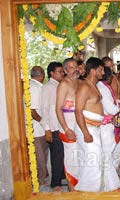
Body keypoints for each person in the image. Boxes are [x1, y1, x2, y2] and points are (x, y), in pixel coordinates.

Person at [74, 57, 106, 192]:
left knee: (94, 163)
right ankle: (89, 193)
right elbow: (78, 111)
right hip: (87, 129)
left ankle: (90, 191)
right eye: (101, 69)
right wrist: (86, 133)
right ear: (93, 70)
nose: (103, 72)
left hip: (94, 128)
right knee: (94, 164)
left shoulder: (94, 85)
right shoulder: (85, 86)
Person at [55, 58, 81, 191]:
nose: (74, 69)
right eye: (70, 67)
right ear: (65, 70)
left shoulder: (79, 82)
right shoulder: (64, 84)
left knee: (81, 159)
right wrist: (66, 129)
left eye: (75, 66)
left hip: (80, 126)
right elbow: (58, 108)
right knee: (72, 161)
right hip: (69, 127)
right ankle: (72, 192)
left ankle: (80, 189)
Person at [41, 62, 65, 191]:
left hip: (61, 125)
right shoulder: (48, 87)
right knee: (56, 155)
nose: (62, 73)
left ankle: (61, 176)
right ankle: (55, 183)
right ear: (52, 73)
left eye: (62, 71)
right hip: (53, 126)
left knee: (62, 153)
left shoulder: (60, 86)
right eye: (59, 71)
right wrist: (47, 129)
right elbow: (44, 109)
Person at [29, 66, 48, 186]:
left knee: (43, 153)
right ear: (42, 74)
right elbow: (33, 111)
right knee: (39, 156)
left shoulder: (37, 86)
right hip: (37, 128)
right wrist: (44, 123)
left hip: (40, 127)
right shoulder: (34, 88)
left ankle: (43, 176)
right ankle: (40, 180)